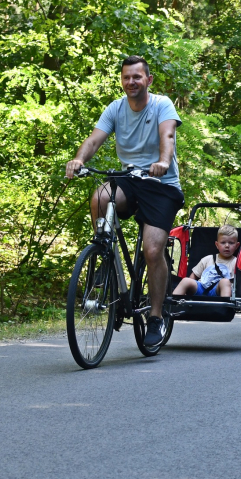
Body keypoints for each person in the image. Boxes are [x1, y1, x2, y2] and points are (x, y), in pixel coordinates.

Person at [65, 55, 183, 347]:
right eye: (127, 77)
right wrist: (79, 159)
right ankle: (105, 264)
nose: (131, 82)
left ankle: (155, 317)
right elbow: (94, 140)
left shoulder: (161, 105)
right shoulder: (116, 108)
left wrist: (163, 161)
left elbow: (167, 134)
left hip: (161, 183)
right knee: (99, 197)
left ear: (148, 80)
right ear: (122, 80)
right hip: (130, 178)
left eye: (137, 77)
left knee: (153, 250)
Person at [173, 225, 240, 297]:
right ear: (217, 245)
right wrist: (190, 289)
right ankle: (173, 305)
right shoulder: (208, 259)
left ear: (236, 245)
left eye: (231, 243)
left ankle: (225, 307)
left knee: (225, 281)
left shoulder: (237, 263)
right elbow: (194, 275)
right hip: (201, 288)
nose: (227, 245)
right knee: (186, 280)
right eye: (223, 243)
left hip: (218, 291)